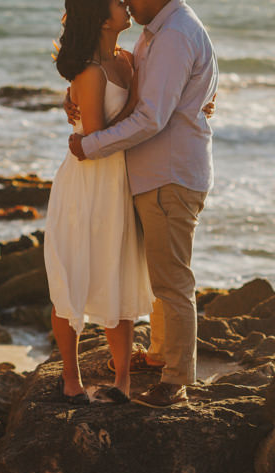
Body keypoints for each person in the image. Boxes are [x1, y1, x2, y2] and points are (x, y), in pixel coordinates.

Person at [67, 0, 218, 408]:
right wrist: (75, 90)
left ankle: (175, 381)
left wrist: (89, 145)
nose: (128, 3)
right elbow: (146, 82)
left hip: (169, 174)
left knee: (171, 281)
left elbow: (152, 117)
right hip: (156, 174)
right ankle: (157, 356)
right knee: (158, 277)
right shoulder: (159, 33)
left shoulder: (173, 35)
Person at [45, 0, 154, 404]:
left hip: (118, 183)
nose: (125, 3)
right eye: (115, 0)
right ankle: (70, 379)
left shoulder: (126, 60)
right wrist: (142, 101)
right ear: (101, 17)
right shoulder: (90, 72)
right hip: (85, 184)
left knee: (118, 273)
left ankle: (122, 380)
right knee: (71, 276)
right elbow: (95, 138)